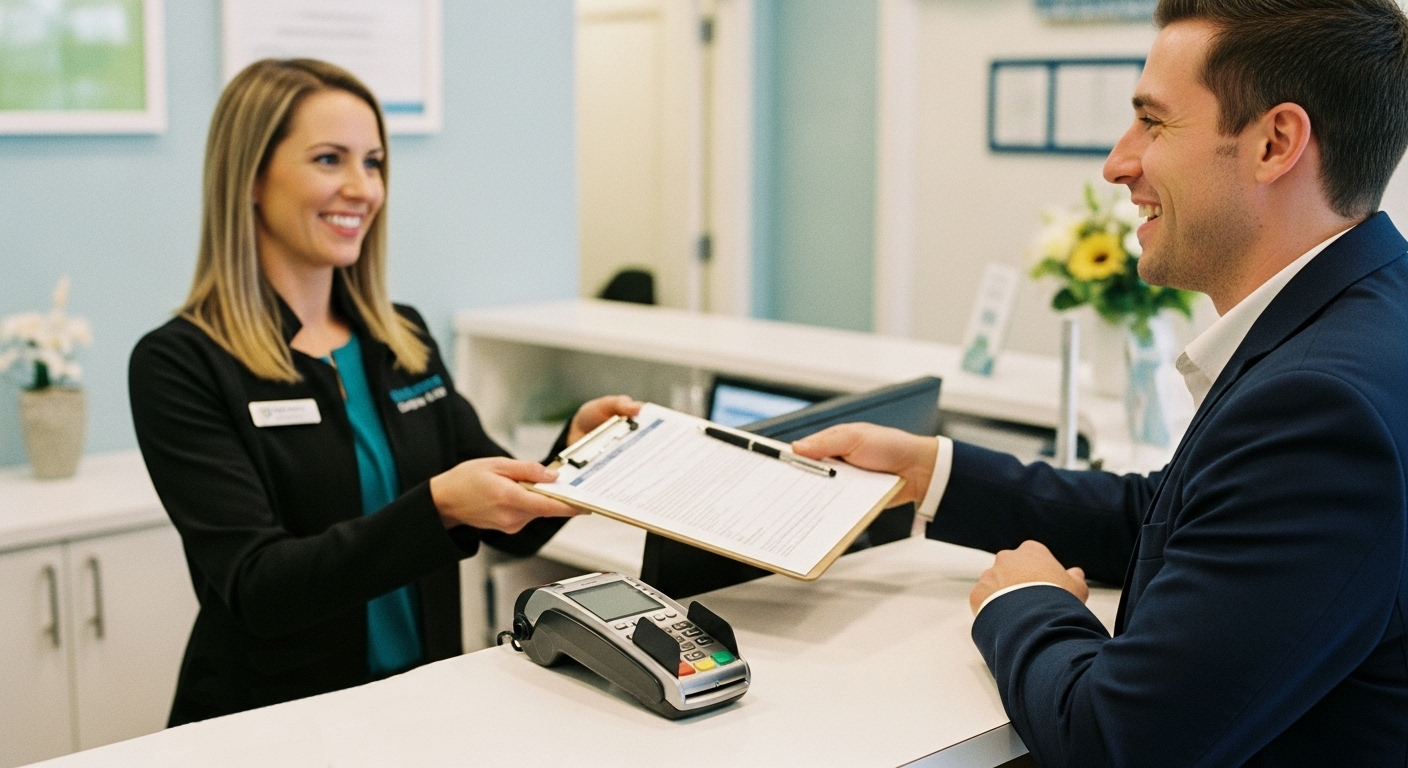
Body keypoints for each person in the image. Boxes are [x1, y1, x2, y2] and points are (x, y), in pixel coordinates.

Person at [793, 1, 1408, 764]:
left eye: (1153, 123)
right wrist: (931, 472)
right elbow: (1172, 518)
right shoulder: (1365, 318)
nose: (1118, 163)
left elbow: (1118, 742)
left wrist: (1027, 604)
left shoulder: (1323, 407)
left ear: (1274, 143)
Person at [129, 59, 640, 725]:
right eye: (328, 159)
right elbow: (259, 588)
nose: (361, 188)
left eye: (373, 163)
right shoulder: (181, 363)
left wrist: (573, 452)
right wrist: (437, 509)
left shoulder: (401, 337)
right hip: (272, 725)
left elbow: (511, 534)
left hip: (418, 708)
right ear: (252, 176)